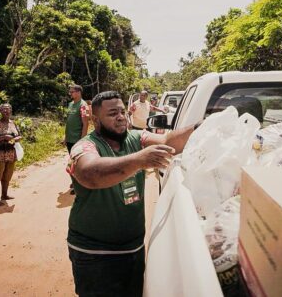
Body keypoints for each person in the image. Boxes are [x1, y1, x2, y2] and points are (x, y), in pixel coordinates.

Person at [66, 91, 196, 297]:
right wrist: (139, 160)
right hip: (94, 253)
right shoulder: (85, 145)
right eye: (112, 114)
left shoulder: (136, 138)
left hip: (133, 247)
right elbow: (90, 173)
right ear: (95, 120)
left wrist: (201, 127)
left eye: (122, 112)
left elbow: (168, 141)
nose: (120, 117)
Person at [0, 103, 22, 206]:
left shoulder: (13, 123)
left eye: (8, 109)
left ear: (11, 111)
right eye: (4, 109)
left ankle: (4, 195)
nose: (6, 111)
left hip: (10, 154)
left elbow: (20, 136)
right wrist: (4, 137)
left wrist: (14, 139)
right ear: (0, 112)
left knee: (7, 176)